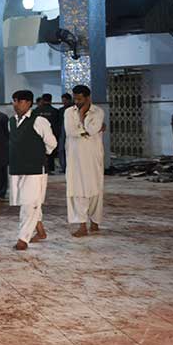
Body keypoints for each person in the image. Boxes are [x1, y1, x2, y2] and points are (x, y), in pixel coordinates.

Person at [9, 90, 58, 251]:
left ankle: (23, 238)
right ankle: (40, 230)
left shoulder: (39, 121)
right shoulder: (11, 121)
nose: (15, 104)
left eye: (19, 101)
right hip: (17, 167)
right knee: (27, 201)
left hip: (35, 168)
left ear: (28, 103)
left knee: (29, 204)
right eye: (14, 101)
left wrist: (37, 154)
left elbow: (52, 143)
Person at [64, 85, 105, 237]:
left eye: (80, 99)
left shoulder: (98, 111)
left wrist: (82, 117)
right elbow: (70, 131)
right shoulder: (69, 112)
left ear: (88, 98)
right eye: (75, 98)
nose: (76, 102)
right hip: (75, 158)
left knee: (95, 189)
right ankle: (82, 224)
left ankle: (95, 221)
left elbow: (93, 130)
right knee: (77, 190)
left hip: (93, 157)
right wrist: (86, 130)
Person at [33, 94, 59, 173]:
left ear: (42, 100)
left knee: (39, 152)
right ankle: (50, 168)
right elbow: (58, 125)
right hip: (52, 133)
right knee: (50, 151)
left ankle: (41, 168)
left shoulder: (36, 111)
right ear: (51, 100)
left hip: (37, 136)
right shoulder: (55, 111)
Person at [59, 93, 74, 173]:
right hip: (63, 131)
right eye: (63, 100)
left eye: (65, 100)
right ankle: (64, 167)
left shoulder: (74, 109)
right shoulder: (62, 110)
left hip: (71, 131)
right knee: (62, 149)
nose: (63, 102)